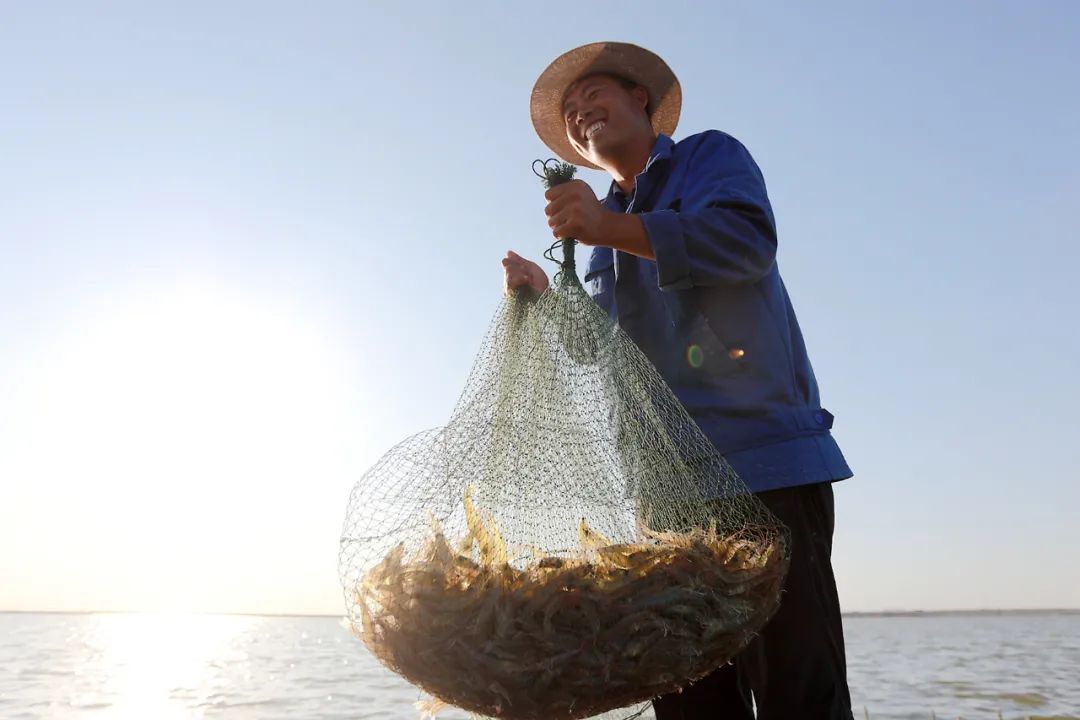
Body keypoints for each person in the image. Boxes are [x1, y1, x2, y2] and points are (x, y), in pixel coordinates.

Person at [503, 42, 856, 720]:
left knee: (797, 691)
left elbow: (744, 243)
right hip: (662, 500)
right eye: (571, 114)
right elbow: (598, 352)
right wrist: (546, 299)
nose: (581, 115)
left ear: (641, 99)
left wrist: (610, 224)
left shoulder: (708, 157)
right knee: (691, 700)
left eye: (593, 98)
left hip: (762, 467)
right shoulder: (599, 235)